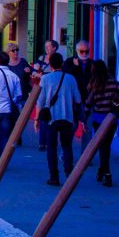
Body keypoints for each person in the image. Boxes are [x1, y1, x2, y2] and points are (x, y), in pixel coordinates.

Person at [37, 53, 81, 186]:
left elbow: (40, 100)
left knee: (51, 148)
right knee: (67, 146)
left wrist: (36, 119)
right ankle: (69, 173)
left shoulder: (45, 79)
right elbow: (77, 99)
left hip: (51, 118)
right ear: (62, 64)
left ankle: (54, 176)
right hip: (67, 117)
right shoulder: (71, 79)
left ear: (50, 65)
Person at [86, 60, 119, 187]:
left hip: (98, 119)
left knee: (102, 146)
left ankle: (107, 174)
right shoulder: (113, 83)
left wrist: (84, 118)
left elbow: (88, 103)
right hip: (111, 119)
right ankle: (102, 170)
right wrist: (115, 99)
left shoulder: (93, 84)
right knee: (106, 145)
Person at [64, 40, 98, 150]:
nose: (84, 54)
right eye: (81, 51)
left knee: (88, 129)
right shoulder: (69, 62)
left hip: (88, 100)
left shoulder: (93, 64)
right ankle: (65, 154)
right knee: (71, 128)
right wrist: (76, 67)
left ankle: (85, 155)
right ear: (77, 51)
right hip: (73, 101)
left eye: (86, 51)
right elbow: (65, 77)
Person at [31, 40, 59, 151]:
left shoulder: (58, 59)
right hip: (43, 88)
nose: (46, 49)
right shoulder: (42, 58)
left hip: (53, 91)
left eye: (48, 46)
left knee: (51, 116)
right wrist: (40, 75)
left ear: (54, 48)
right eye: (45, 46)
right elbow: (33, 72)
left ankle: (50, 141)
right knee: (43, 114)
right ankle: (42, 142)